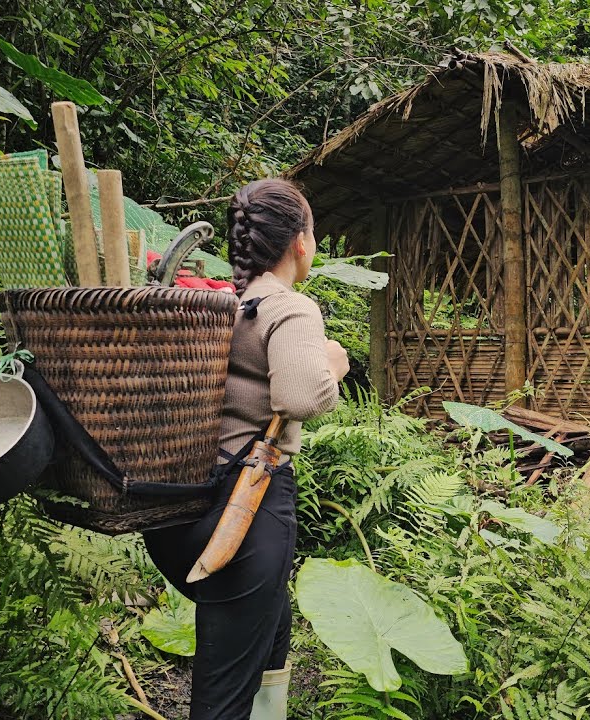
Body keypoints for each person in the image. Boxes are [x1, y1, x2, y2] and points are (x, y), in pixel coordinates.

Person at [143, 178, 349, 720]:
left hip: (180, 507)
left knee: (272, 630)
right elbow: (301, 396)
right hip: (245, 513)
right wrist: (333, 365)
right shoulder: (289, 308)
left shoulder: (222, 306)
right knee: (223, 697)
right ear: (300, 242)